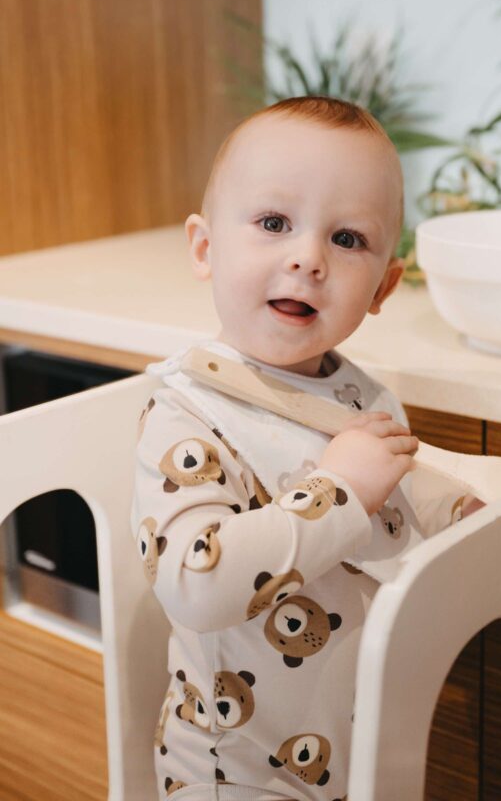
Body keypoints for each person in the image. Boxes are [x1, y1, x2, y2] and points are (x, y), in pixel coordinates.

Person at [131, 96, 470, 801]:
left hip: (354, 753)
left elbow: (394, 494)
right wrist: (339, 491)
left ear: (382, 286)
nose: (307, 257)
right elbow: (194, 583)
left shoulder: (357, 393)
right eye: (274, 223)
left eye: (346, 239)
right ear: (204, 248)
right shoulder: (186, 412)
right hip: (233, 771)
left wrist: (460, 516)